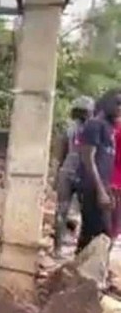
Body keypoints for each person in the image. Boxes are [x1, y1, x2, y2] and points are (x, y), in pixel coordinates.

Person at [77, 89, 121, 255]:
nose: (120, 108)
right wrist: (101, 190)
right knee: (98, 234)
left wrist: (107, 188)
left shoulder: (110, 127)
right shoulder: (95, 125)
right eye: (117, 103)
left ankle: (85, 272)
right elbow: (88, 159)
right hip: (91, 187)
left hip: (103, 186)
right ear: (105, 103)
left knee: (99, 235)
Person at [53, 96, 94, 258]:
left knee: (62, 211)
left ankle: (58, 249)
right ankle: (79, 251)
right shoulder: (94, 131)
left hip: (67, 172)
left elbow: (60, 155)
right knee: (84, 214)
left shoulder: (67, 129)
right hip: (83, 176)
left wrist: (56, 176)